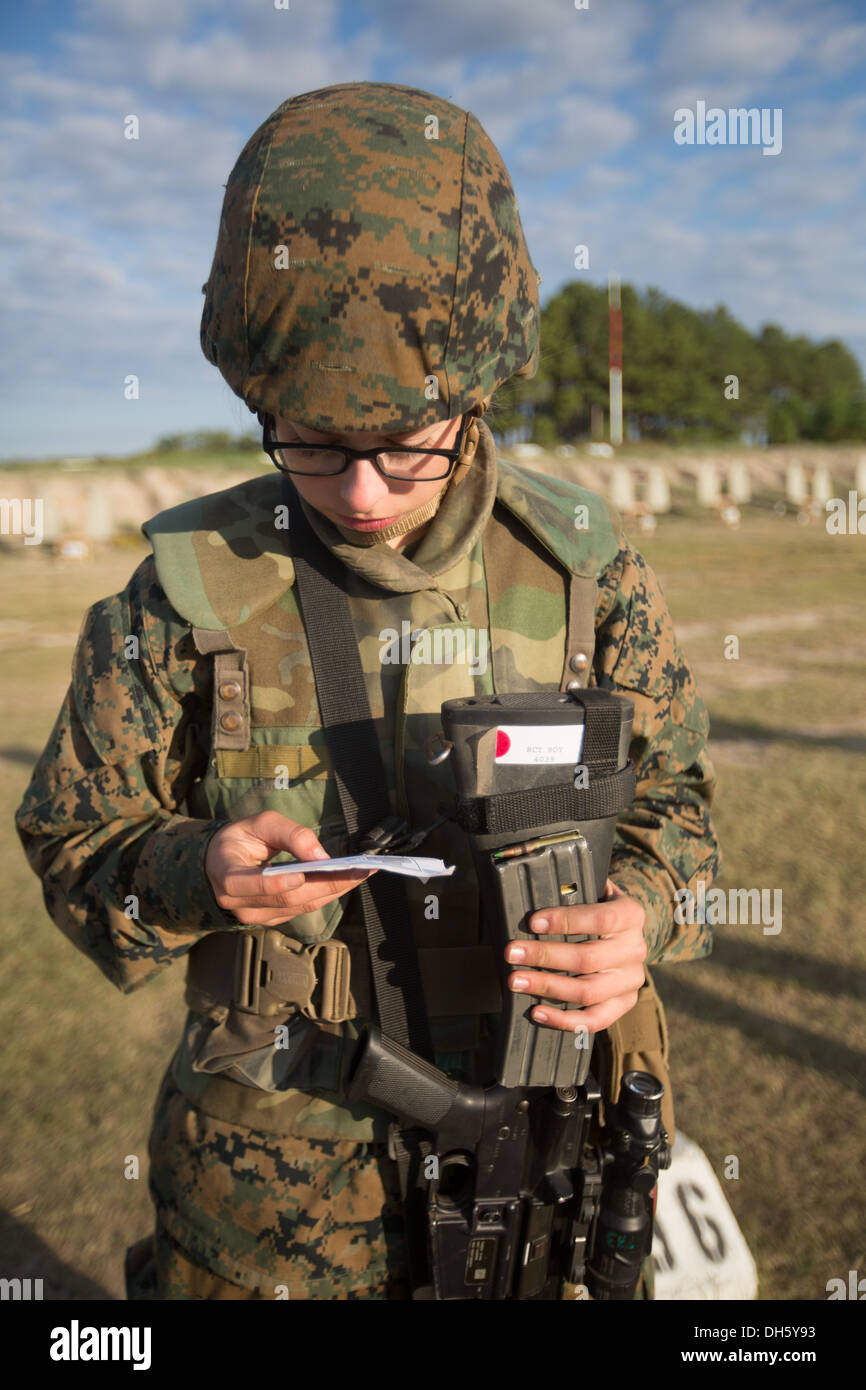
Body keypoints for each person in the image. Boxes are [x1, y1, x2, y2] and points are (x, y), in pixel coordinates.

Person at [15, 80, 721, 1301]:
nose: (358, 492)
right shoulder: (178, 596)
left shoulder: (585, 572)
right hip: (269, 1203)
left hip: (545, 1161)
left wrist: (641, 917)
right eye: (311, 442)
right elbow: (74, 840)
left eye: (406, 443)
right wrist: (201, 870)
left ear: (482, 389)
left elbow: (684, 811)